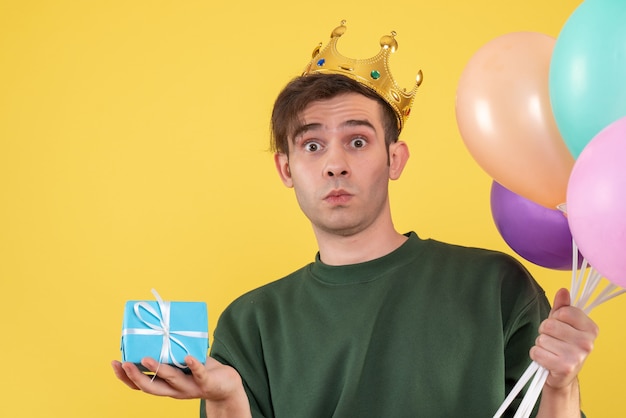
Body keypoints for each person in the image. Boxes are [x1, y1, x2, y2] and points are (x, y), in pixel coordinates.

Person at [112, 22, 598, 417]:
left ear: (395, 159)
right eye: (312, 144)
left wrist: (562, 387)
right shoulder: (250, 323)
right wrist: (227, 400)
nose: (335, 163)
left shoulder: (496, 287)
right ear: (287, 168)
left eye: (358, 141)